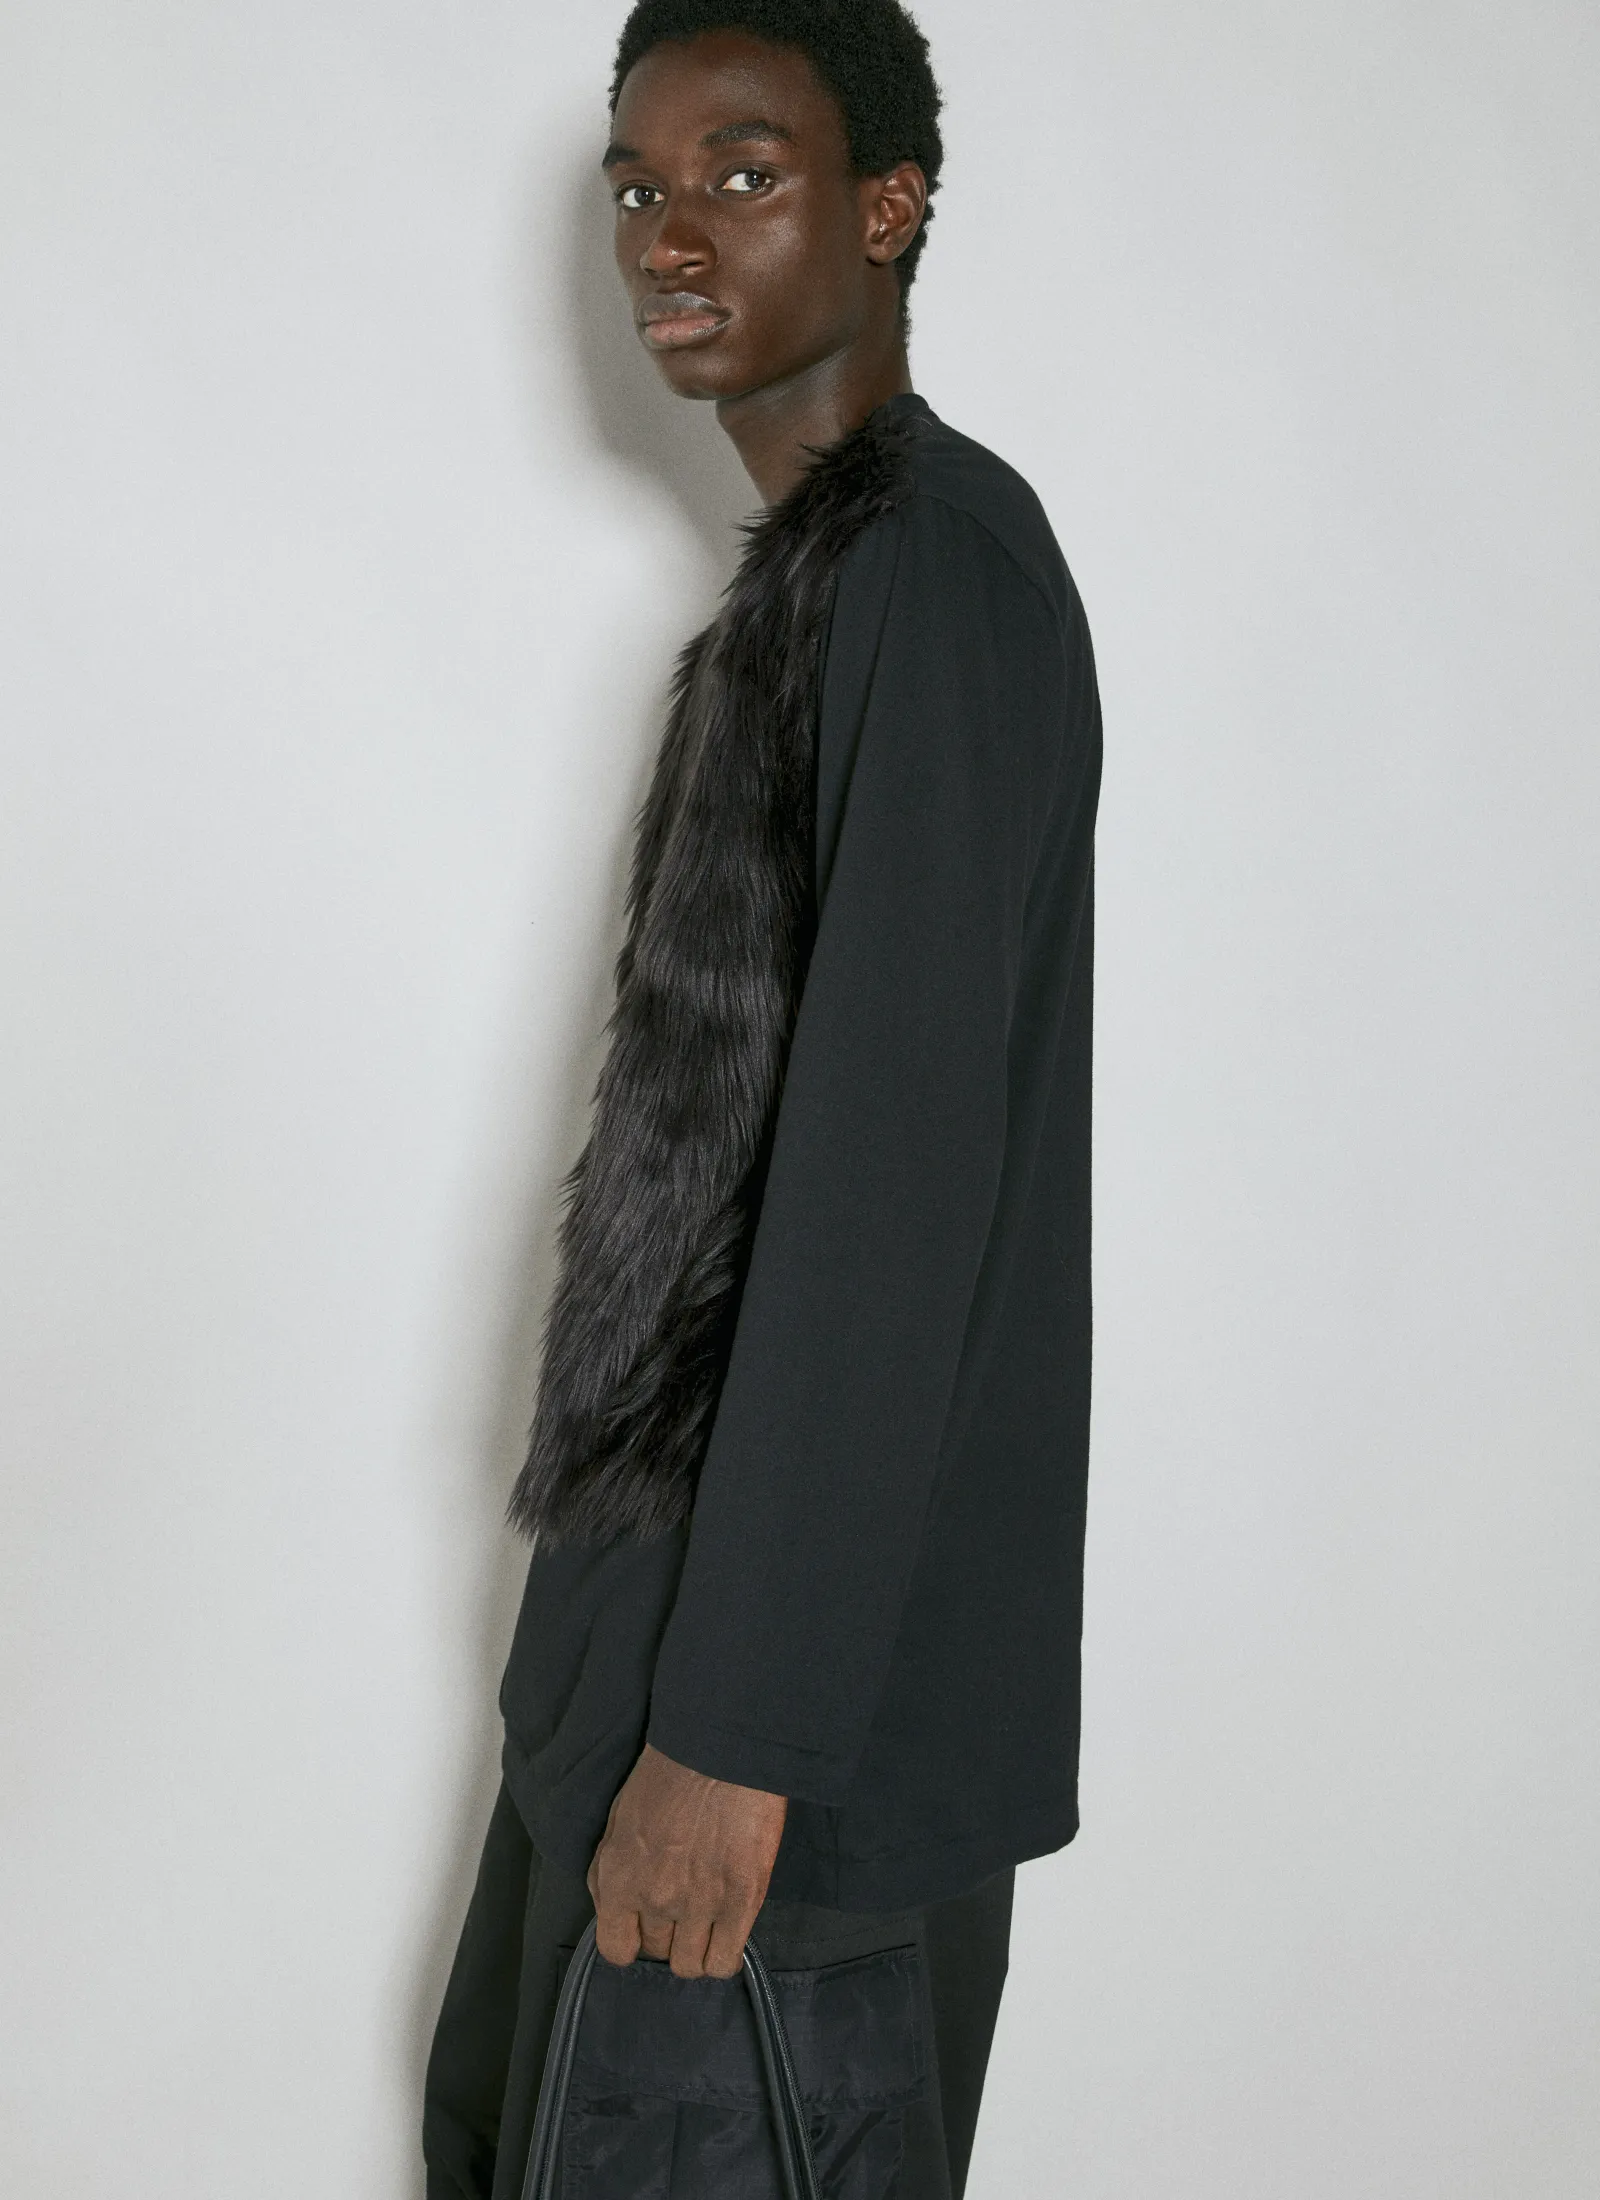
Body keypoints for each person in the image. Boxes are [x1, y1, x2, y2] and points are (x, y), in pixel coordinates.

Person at [423, 3, 1102, 2194]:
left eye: (742, 171)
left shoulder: (929, 575)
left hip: (778, 1754)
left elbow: (889, 1194)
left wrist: (736, 1736)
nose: (669, 234)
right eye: (638, 184)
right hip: (657, 1673)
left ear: (888, 205)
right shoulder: (822, 588)